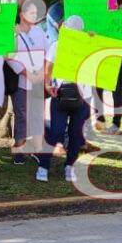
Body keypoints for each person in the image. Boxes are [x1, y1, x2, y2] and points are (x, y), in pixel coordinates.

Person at [35, 16, 89, 182]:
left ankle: (69, 166)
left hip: (83, 96)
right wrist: (47, 85)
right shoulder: (58, 45)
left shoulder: (89, 45)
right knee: (56, 132)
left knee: (75, 133)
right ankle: (43, 165)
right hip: (61, 93)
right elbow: (48, 67)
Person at [9, 0, 50, 159]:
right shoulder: (14, 32)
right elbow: (10, 58)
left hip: (39, 79)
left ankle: (38, 148)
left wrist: (41, 73)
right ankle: (20, 148)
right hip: (22, 81)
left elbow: (48, 51)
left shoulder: (39, 32)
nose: (34, 15)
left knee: (37, 114)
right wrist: (27, 73)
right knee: (21, 114)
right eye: (31, 12)